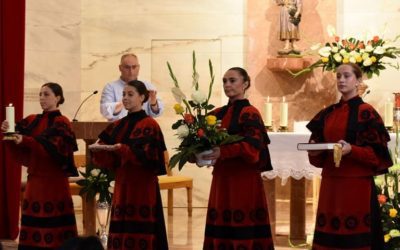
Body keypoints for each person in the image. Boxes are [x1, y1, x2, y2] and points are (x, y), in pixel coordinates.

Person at [306, 63, 393, 249]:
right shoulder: (328, 113)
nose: (341, 80)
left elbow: (376, 156)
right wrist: (314, 151)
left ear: (358, 81)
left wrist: (352, 150)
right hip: (331, 183)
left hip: (356, 186)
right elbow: (318, 155)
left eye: (346, 76)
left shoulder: (367, 113)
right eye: (338, 76)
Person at [201, 67, 274, 249]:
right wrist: (196, 154)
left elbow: (252, 148)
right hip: (221, 178)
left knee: (242, 226)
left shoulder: (250, 112)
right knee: (222, 225)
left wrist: (223, 152)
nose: (227, 84)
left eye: (232, 80)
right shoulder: (216, 114)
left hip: (243, 180)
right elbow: (200, 140)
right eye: (224, 81)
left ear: (245, 84)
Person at [91, 80, 168, 249]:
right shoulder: (117, 125)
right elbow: (106, 150)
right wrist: (99, 151)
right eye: (124, 94)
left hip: (142, 186)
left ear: (142, 97)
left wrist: (124, 150)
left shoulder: (149, 124)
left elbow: (149, 157)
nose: (125, 98)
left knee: (141, 229)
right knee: (121, 228)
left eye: (130, 94)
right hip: (122, 184)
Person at [1, 82, 79, 249]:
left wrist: (25, 140)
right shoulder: (32, 120)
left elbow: (53, 148)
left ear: (58, 98)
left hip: (55, 183)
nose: (42, 98)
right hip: (35, 181)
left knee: (55, 232)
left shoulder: (62, 122)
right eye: (40, 94)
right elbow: (18, 141)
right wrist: (8, 131)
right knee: (33, 230)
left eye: (47, 94)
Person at [100, 53, 164, 121]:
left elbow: (157, 113)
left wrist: (153, 103)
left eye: (134, 67)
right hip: (119, 129)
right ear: (120, 68)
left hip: (142, 128)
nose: (131, 71)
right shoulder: (110, 87)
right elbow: (105, 111)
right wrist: (125, 103)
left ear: (139, 67)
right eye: (127, 67)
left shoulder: (148, 86)